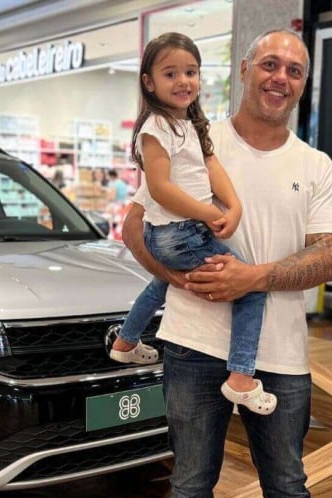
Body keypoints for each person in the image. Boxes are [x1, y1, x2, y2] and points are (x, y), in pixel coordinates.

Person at [124, 29, 332, 498]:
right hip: (194, 344)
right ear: (244, 70)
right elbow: (136, 225)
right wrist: (178, 278)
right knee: (192, 485)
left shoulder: (316, 166)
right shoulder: (190, 137)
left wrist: (253, 278)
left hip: (281, 354)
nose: (280, 78)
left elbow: (329, 254)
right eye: (269, 64)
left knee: (288, 485)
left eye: (293, 71)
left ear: (303, 84)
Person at [110, 32, 275, 415]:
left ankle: (125, 341)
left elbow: (211, 165)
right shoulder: (156, 128)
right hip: (179, 233)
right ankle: (241, 378)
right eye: (171, 73)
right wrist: (209, 212)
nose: (183, 81)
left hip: (175, 233)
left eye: (191, 71)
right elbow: (160, 188)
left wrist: (232, 207)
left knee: (162, 282)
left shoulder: (188, 123)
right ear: (148, 82)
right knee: (251, 287)